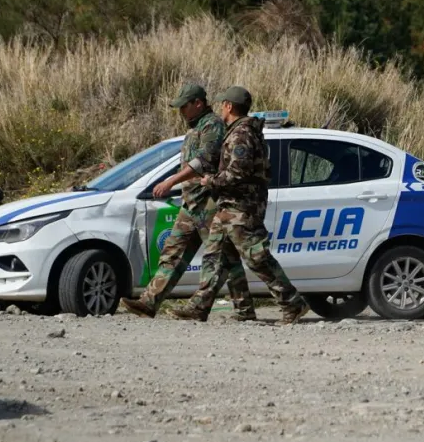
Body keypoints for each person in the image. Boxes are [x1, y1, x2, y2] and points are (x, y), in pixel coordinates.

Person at [171, 86, 309, 326]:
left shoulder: (241, 134)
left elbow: (238, 173)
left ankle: (292, 302)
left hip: (241, 207)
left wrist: (210, 180)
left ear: (229, 106)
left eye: (223, 105)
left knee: (257, 257)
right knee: (214, 255)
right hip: (228, 205)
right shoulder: (237, 131)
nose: (220, 110)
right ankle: (200, 306)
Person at [120, 83, 255, 321]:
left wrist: (170, 181)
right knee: (172, 252)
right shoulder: (195, 128)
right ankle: (149, 302)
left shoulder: (212, 125)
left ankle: (244, 310)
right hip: (191, 203)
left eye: (184, 106)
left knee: (224, 258)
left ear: (198, 104)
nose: (181, 111)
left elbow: (204, 160)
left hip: (208, 203)